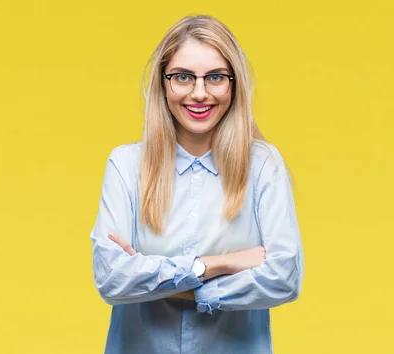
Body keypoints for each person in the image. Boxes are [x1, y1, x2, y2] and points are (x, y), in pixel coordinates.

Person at [89, 15, 304, 353]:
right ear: (163, 82)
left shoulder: (264, 165)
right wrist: (219, 265)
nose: (199, 93)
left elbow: (284, 279)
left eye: (215, 77)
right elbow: (112, 280)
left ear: (233, 84)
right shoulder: (126, 165)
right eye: (183, 77)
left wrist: (160, 279)